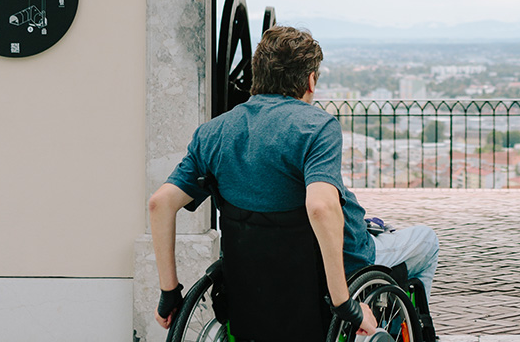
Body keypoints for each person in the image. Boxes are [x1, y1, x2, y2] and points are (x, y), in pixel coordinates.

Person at [149, 25, 438, 336]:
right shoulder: (316, 128)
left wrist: (169, 295)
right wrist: (344, 303)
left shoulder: (213, 133)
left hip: (251, 280)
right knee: (426, 241)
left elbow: (160, 204)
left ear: (256, 76)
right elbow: (320, 208)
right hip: (338, 270)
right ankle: (394, 328)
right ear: (311, 81)